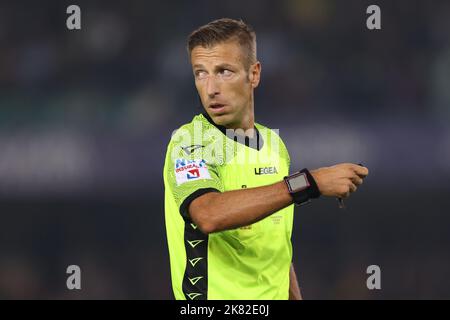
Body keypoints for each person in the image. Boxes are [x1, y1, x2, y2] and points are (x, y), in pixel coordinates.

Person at [163, 18, 369, 300]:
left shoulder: (273, 145)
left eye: (224, 71)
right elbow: (207, 214)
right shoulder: (191, 141)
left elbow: (276, 244)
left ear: (254, 74)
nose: (210, 88)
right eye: (201, 73)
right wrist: (309, 182)